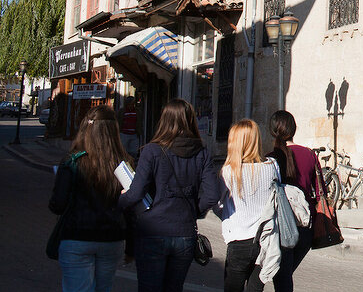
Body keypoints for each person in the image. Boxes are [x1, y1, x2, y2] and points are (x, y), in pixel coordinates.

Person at [119, 98, 219, 292]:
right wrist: (193, 211)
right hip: (184, 232)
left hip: (152, 231)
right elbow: (212, 195)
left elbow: (136, 193)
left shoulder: (152, 151)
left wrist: (118, 201)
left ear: (164, 120)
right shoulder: (202, 153)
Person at [49, 104, 131, 292]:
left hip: (77, 235)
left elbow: (57, 205)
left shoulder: (73, 161)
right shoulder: (123, 163)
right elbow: (131, 206)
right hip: (112, 237)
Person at [256, 110, 321, 290]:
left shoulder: (271, 158)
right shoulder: (309, 154)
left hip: (282, 227)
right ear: (294, 128)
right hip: (306, 227)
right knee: (284, 277)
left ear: (272, 130)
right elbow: (319, 188)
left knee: (282, 280)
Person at [221, 119, 280, 292]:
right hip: (265, 240)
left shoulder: (229, 171)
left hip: (238, 239)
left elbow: (217, 203)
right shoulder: (272, 166)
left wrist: (227, 214)